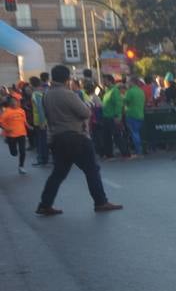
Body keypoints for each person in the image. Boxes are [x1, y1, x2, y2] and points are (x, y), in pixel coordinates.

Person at [35, 65, 122, 216]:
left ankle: (45, 203)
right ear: (67, 78)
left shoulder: (47, 95)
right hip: (75, 136)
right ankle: (100, 201)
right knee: (92, 170)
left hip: (57, 137)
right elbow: (85, 112)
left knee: (58, 173)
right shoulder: (68, 94)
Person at [2, 93, 28, 174]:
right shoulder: (7, 111)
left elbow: (24, 121)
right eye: (13, 101)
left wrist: (29, 126)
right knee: (14, 153)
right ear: (10, 102)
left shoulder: (22, 111)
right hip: (11, 135)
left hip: (22, 134)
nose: (15, 103)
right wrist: (6, 128)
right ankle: (10, 146)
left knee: (23, 151)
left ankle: (21, 166)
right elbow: (1, 122)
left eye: (17, 101)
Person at [28, 75, 48, 167]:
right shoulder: (40, 93)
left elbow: (40, 109)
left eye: (30, 84)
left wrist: (42, 122)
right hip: (41, 121)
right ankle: (44, 158)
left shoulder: (36, 94)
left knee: (41, 141)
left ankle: (42, 159)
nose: (29, 86)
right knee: (42, 140)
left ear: (32, 84)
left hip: (39, 121)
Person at [124, 76, 146, 157]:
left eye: (128, 82)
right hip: (140, 114)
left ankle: (138, 151)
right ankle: (140, 150)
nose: (127, 84)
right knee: (137, 133)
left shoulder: (130, 91)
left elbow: (125, 102)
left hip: (131, 114)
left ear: (132, 82)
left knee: (134, 133)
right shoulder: (141, 91)